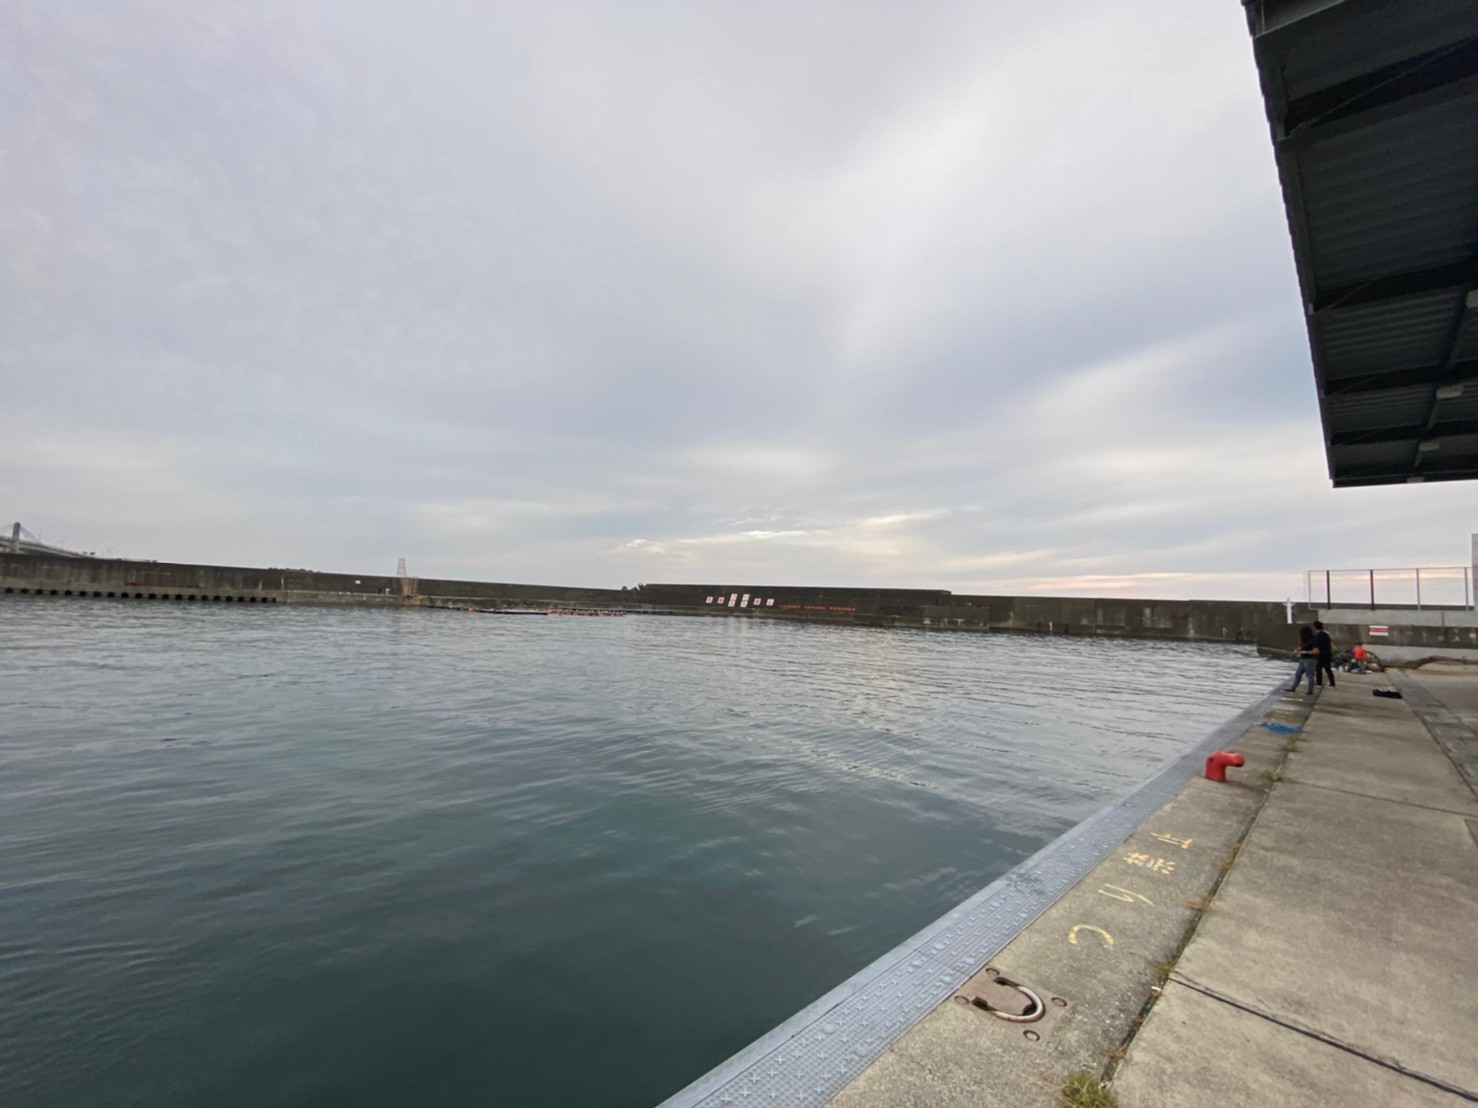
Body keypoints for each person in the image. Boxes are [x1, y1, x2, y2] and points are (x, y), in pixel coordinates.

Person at [1288, 625, 1318, 694]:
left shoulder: (1313, 640)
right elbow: (1301, 647)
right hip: (1303, 659)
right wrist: (1297, 650)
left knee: (1309, 675)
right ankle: (1292, 688)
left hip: (1310, 659)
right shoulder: (1304, 641)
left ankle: (1310, 691)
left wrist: (1303, 652)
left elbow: (1316, 651)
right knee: (1298, 674)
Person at [1312, 620, 1336, 688]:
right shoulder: (1326, 635)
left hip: (1320, 654)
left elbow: (1316, 646)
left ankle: (1319, 683)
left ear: (1315, 627)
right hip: (1328, 653)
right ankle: (1332, 683)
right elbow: (1330, 644)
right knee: (1328, 669)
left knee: (1318, 669)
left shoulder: (1316, 636)